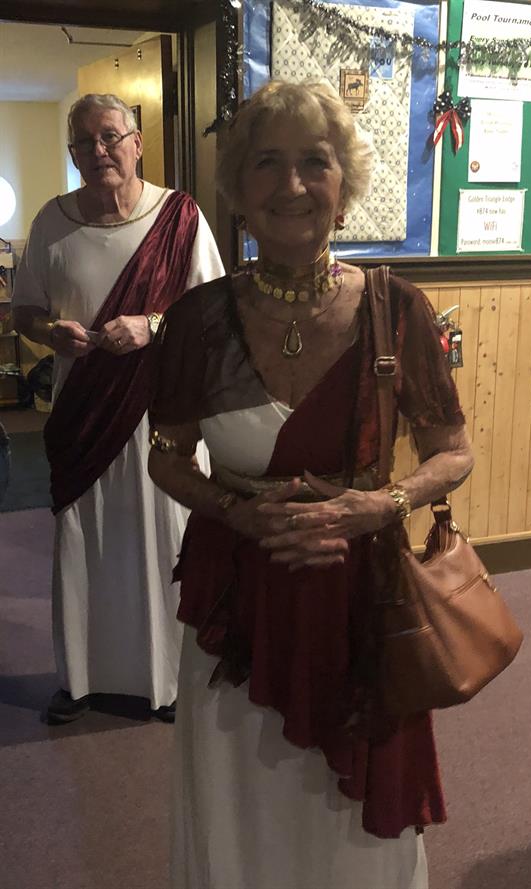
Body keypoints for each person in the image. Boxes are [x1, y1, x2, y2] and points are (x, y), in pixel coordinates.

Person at [148, 81, 474, 889]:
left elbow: (452, 450)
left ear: (343, 185)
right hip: (236, 608)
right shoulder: (195, 321)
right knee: (241, 797)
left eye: (313, 163)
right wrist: (238, 514)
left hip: (362, 602)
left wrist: (379, 503)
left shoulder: (397, 310)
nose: (291, 186)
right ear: (238, 190)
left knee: (349, 824)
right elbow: (165, 456)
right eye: (267, 163)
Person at [12, 93, 224, 724]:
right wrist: (52, 333)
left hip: (161, 415)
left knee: (164, 542)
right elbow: (25, 310)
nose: (98, 151)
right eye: (84, 143)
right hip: (82, 416)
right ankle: (79, 680)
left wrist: (152, 325)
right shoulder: (53, 221)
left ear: (136, 142)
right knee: (84, 543)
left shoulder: (179, 217)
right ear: (73, 155)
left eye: (110, 137)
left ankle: (168, 682)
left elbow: (211, 312)